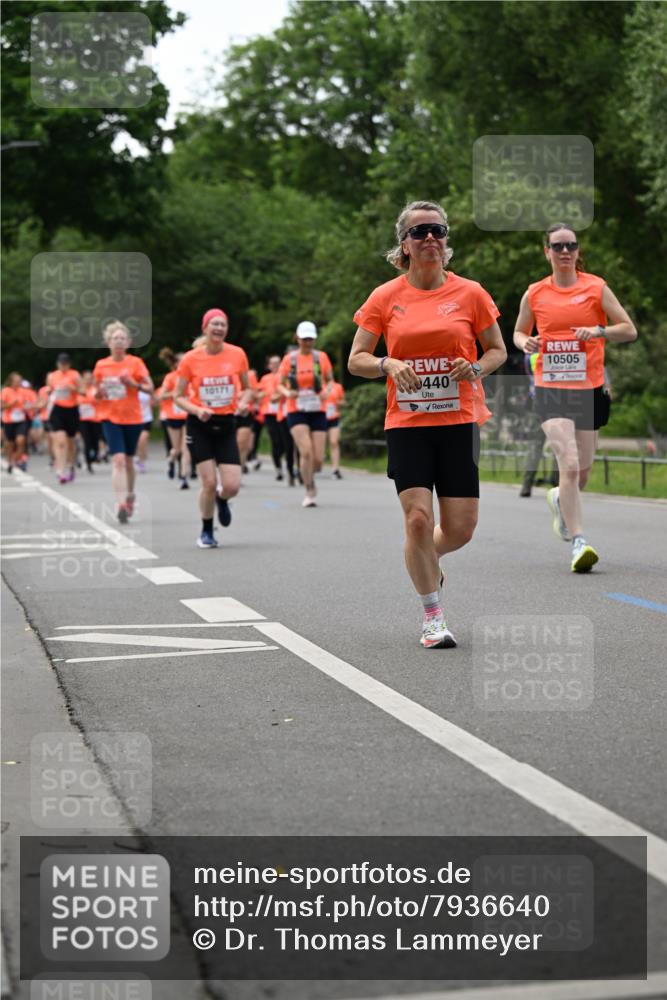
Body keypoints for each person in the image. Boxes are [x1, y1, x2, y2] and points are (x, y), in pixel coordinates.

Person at [348, 200, 506, 649]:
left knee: (460, 529)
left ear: (446, 240)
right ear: (405, 244)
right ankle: (432, 615)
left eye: (438, 230)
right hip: (408, 422)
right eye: (420, 232)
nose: (431, 238)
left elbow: (495, 350)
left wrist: (475, 369)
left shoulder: (471, 293)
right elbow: (356, 359)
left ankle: (425, 558)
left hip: (459, 419)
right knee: (418, 520)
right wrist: (387, 364)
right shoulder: (386, 297)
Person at [513, 222, 637, 572]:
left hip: (590, 388)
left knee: (581, 473)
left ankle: (558, 498)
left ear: (578, 251)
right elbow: (519, 333)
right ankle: (579, 541)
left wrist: (599, 331)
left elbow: (629, 329)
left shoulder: (596, 288)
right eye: (558, 246)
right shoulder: (535, 293)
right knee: (566, 463)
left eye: (571, 245)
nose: (564, 251)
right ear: (547, 252)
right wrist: (528, 343)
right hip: (552, 388)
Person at [174, 308, 252, 548]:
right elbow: (178, 396)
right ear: (205, 328)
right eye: (214, 324)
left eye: (223, 324)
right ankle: (207, 530)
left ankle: (222, 499)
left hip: (227, 423)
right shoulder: (190, 359)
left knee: (232, 486)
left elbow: (248, 388)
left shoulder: (237, 354)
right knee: (208, 483)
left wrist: (243, 402)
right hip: (201, 424)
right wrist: (197, 410)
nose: (219, 328)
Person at [92, 321, 153, 523]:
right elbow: (95, 393)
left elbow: (150, 388)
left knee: (128, 460)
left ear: (128, 343)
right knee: (117, 459)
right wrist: (98, 393)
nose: (118, 342)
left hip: (133, 417)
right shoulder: (101, 365)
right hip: (110, 416)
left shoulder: (136, 363)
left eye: (122, 338)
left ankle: (130, 495)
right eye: (114, 338)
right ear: (108, 342)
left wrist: (132, 383)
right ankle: (121, 504)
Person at [278, 322, 333, 507]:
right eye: (304, 339)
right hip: (297, 409)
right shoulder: (289, 359)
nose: (307, 342)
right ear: (297, 338)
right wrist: (287, 393)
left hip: (318, 408)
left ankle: (310, 474)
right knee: (306, 451)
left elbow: (331, 381)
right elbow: (280, 384)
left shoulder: (321, 357)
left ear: (315, 339)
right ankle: (309, 489)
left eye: (310, 339)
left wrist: (327, 391)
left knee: (318, 458)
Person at [46, 353, 85, 484]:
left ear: (69, 364)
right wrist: (49, 392)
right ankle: (60, 470)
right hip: (57, 410)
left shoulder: (75, 375)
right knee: (60, 441)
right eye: (61, 363)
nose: (63, 366)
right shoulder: (52, 376)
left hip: (72, 410)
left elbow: (83, 391)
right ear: (57, 364)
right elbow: (49, 391)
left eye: (66, 363)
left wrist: (73, 388)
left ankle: (71, 465)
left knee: (70, 442)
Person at [156, 348, 190, 489]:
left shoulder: (192, 376)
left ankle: (183, 477)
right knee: (176, 449)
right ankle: (171, 460)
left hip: (189, 415)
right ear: (176, 364)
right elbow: (161, 396)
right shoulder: (170, 377)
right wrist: (175, 394)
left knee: (186, 447)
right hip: (173, 416)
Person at [257, 354, 288, 481]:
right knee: (275, 440)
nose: (275, 365)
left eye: (277, 363)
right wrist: (262, 394)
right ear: (269, 365)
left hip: (284, 412)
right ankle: (278, 468)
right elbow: (258, 393)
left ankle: (287, 463)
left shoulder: (284, 376)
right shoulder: (265, 378)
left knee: (284, 441)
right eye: (273, 363)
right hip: (269, 413)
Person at [1, 372, 30, 472]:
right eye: (17, 381)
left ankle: (16, 460)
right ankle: (10, 461)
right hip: (9, 421)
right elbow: (2, 406)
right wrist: (11, 404)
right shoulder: (5, 391)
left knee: (21, 440)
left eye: (20, 381)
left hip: (20, 420)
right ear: (11, 381)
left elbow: (27, 404)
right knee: (10, 443)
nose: (19, 383)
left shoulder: (23, 391)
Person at [78, 371, 103, 473]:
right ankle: (88, 463)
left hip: (96, 419)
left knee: (95, 442)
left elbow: (100, 401)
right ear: (83, 379)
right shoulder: (79, 390)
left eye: (90, 378)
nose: (88, 380)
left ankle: (95, 455)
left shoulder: (95, 390)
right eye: (86, 378)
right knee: (87, 441)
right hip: (83, 420)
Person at [322, 377, 346, 478]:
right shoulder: (319, 385)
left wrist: (337, 402)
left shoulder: (337, 386)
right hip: (320, 417)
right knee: (320, 443)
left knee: (334, 442)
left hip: (334, 417)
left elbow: (343, 402)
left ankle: (335, 469)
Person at [135, 388, 154, 473]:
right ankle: (140, 457)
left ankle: (141, 461)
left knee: (142, 440)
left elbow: (153, 403)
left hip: (147, 419)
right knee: (139, 442)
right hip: (135, 420)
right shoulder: (132, 389)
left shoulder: (147, 389)